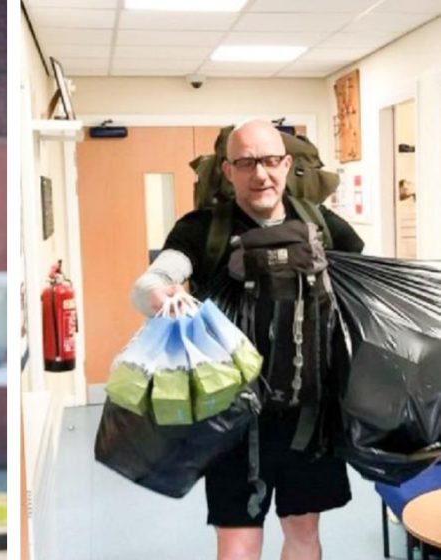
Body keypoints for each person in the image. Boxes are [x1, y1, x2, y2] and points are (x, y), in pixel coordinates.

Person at [131, 120, 364, 560]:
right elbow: (151, 283)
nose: (261, 174)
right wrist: (160, 295)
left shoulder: (322, 225)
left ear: (287, 164)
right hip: (232, 418)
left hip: (309, 413)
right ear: (227, 170)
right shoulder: (203, 230)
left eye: (271, 161)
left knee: (303, 532)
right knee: (239, 541)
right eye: (247, 162)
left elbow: (362, 286)